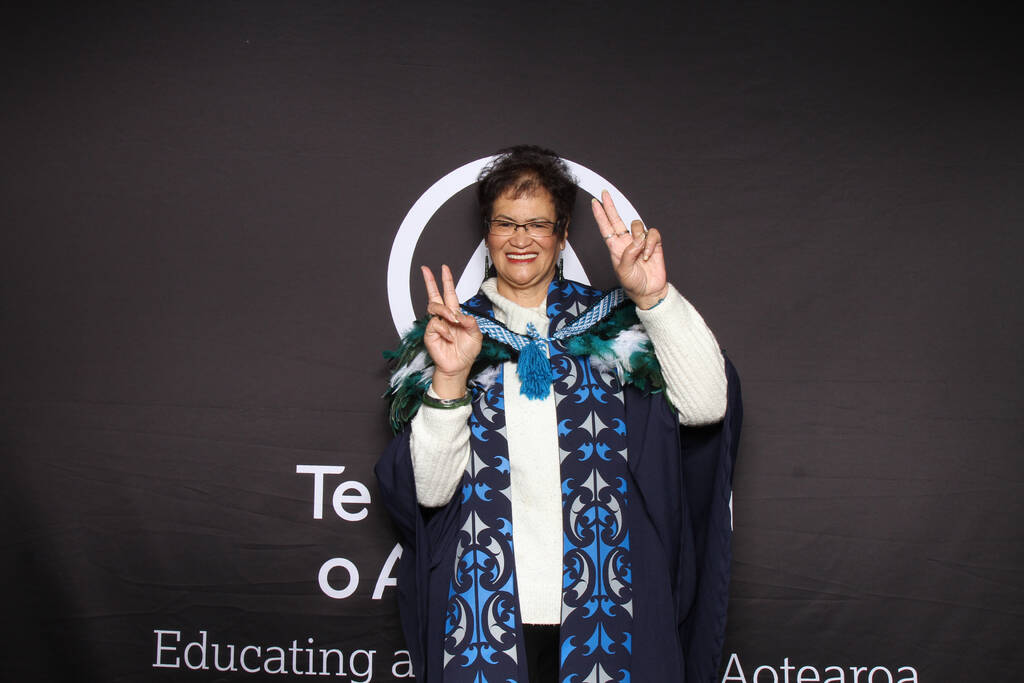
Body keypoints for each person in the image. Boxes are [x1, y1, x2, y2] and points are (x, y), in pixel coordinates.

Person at [377, 145, 742, 683]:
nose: (520, 239)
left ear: (563, 231)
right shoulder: (450, 336)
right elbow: (428, 494)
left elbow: (708, 407)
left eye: (537, 224)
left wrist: (655, 297)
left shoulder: (613, 329)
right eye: (505, 223)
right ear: (487, 232)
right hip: (486, 613)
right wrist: (451, 379)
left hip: (613, 608)